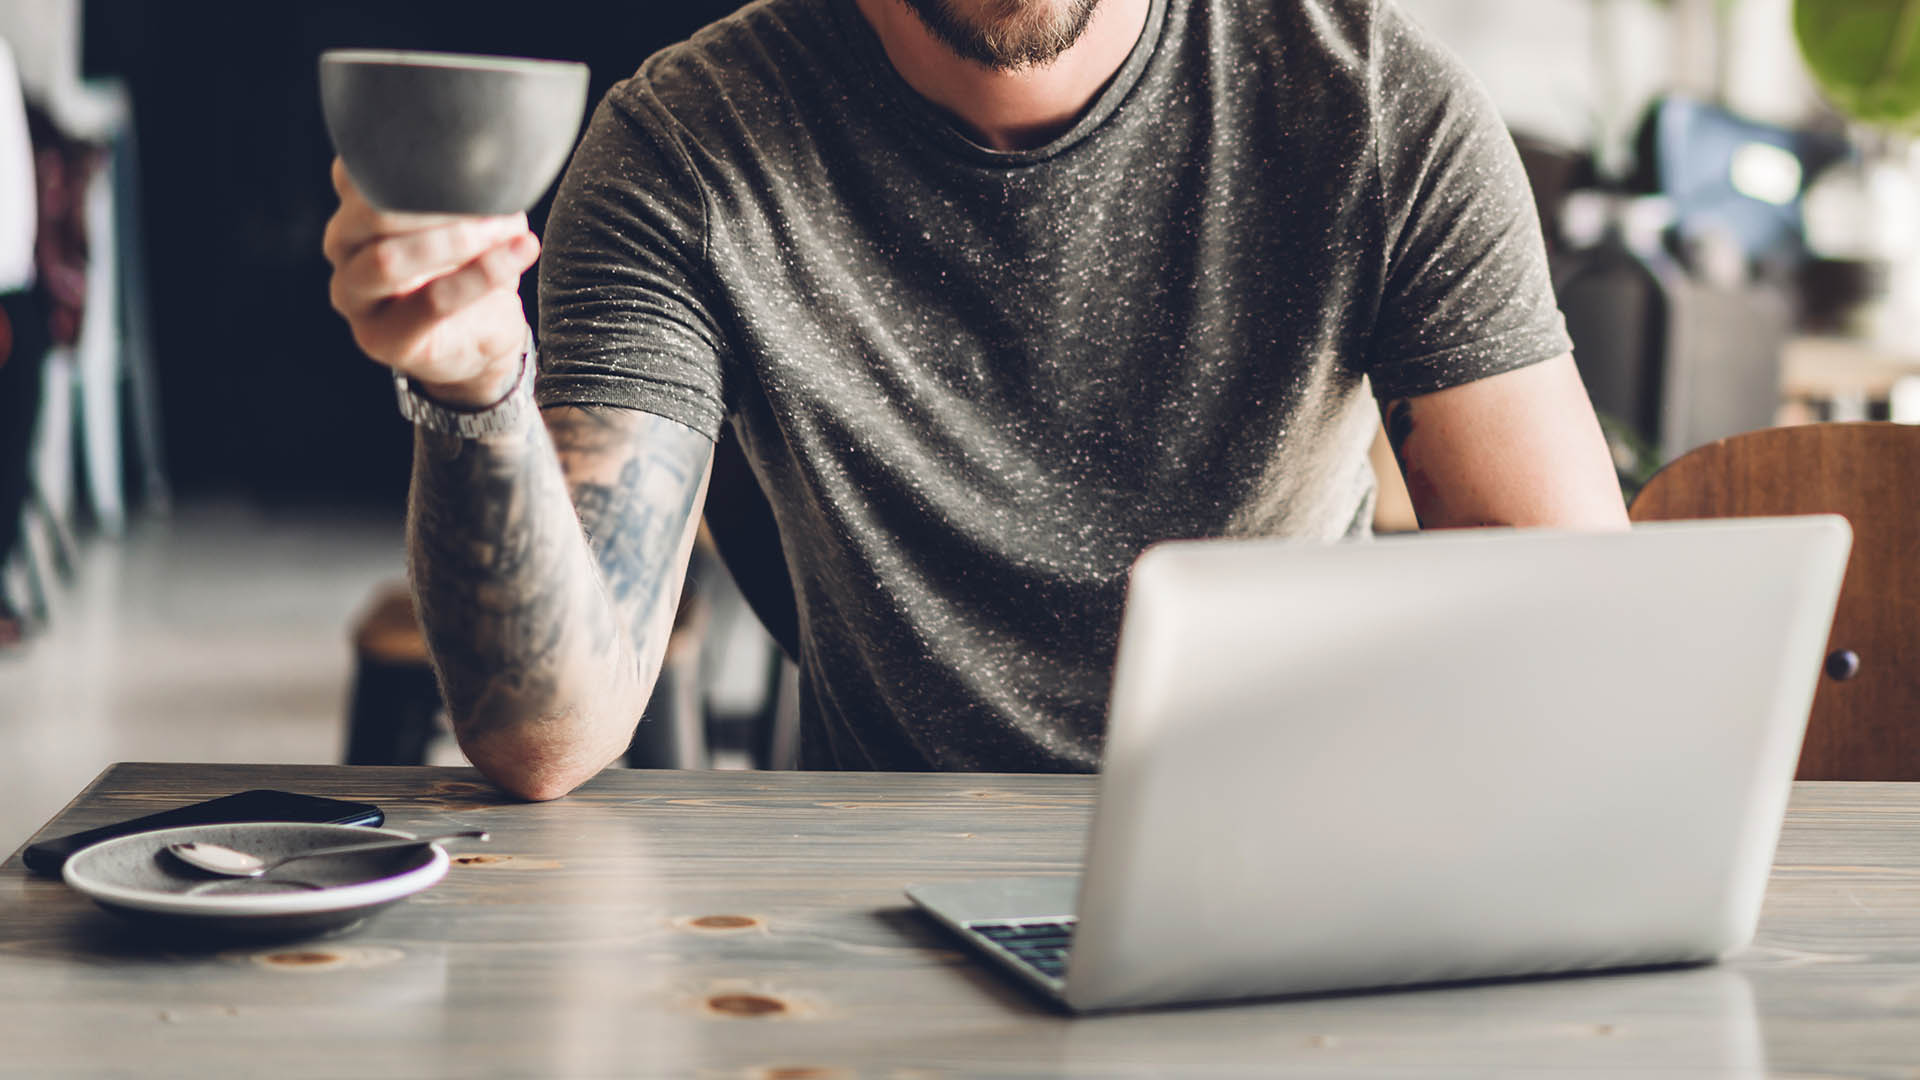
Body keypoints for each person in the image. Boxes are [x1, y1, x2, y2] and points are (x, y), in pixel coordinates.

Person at [323, 0, 1628, 800]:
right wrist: (477, 385)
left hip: (1288, 869)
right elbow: (548, 740)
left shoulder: (1375, 109)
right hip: (877, 895)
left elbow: (1584, 641)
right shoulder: (685, 146)